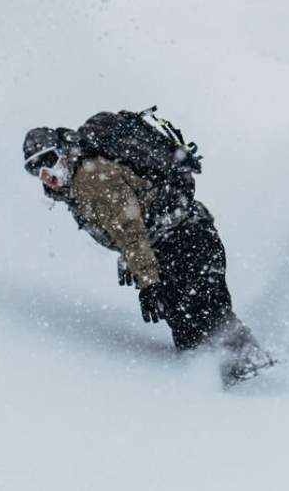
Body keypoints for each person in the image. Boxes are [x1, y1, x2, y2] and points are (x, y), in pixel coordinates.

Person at [22, 113, 274, 385]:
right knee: (196, 323)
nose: (45, 174)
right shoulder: (78, 186)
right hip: (177, 243)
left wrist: (148, 284)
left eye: (48, 161)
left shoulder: (91, 179)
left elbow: (131, 230)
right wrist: (136, 267)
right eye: (35, 170)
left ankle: (253, 383)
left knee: (205, 318)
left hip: (185, 241)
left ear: (62, 152)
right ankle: (239, 380)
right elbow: (127, 228)